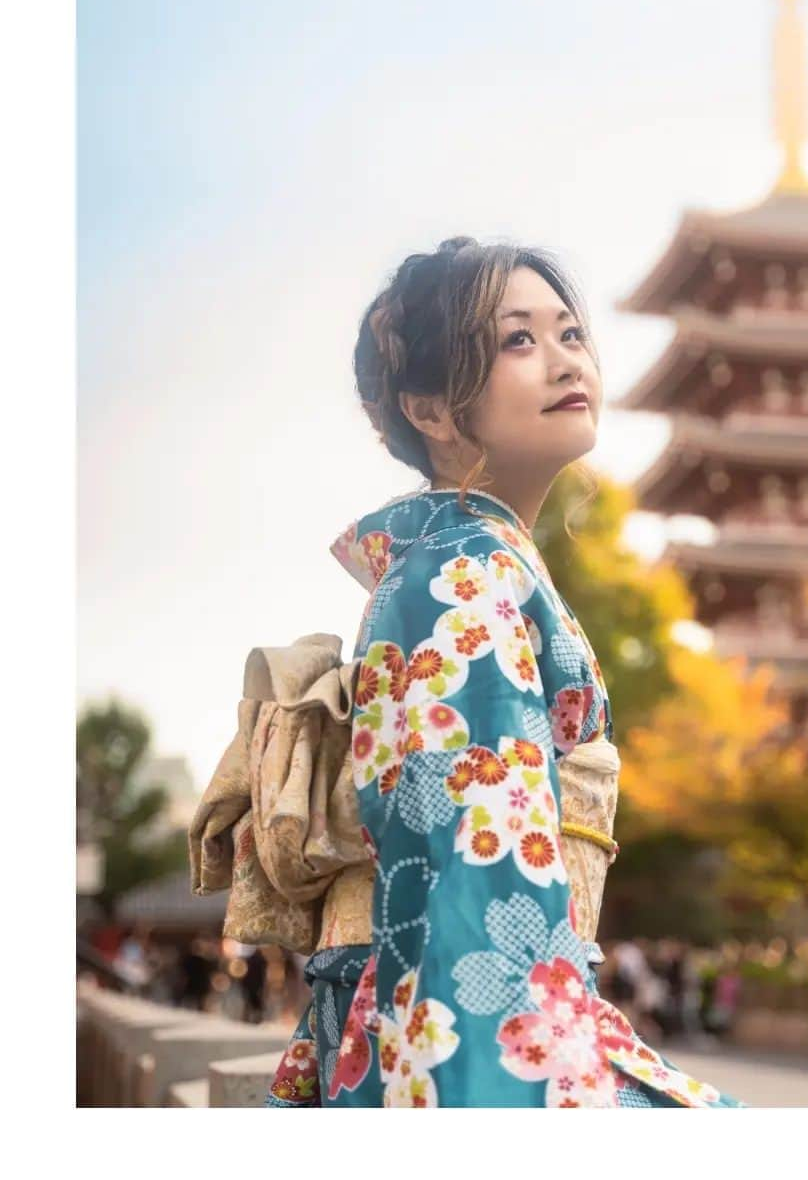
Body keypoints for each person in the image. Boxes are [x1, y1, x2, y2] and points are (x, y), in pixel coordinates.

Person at [264, 238, 747, 1108]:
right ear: (434, 412)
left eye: (570, 333)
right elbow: (474, 884)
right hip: (461, 1026)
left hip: (416, 1011)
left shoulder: (457, 563)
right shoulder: (467, 576)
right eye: (519, 341)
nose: (566, 358)